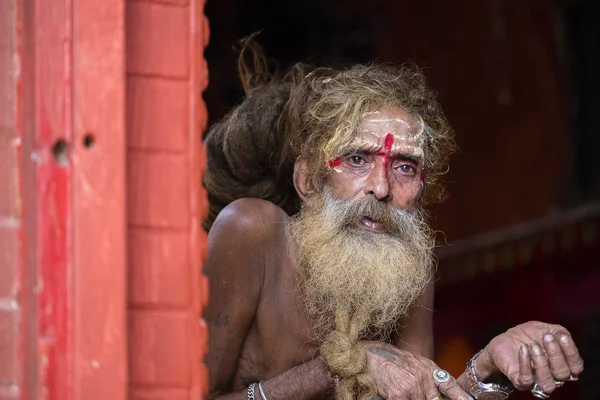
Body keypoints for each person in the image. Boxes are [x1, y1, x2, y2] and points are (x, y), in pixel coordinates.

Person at [203, 41, 584, 400]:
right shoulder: (253, 229)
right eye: (357, 160)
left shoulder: (404, 265)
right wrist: (341, 366)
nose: (382, 188)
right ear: (308, 180)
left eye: (405, 167)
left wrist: (486, 367)